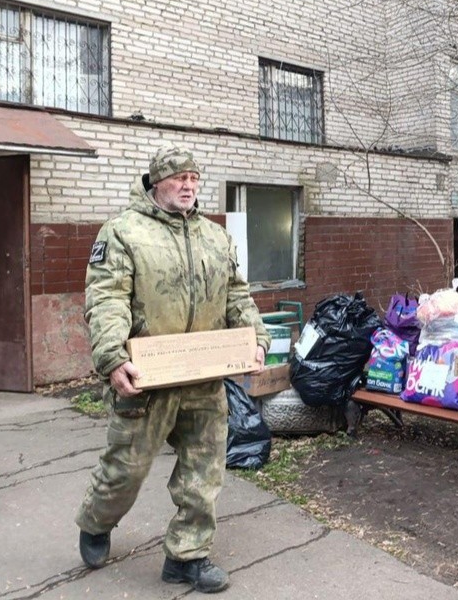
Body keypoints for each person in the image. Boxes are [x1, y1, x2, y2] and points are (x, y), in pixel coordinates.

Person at [75, 145, 271, 594]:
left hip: (203, 377)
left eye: (194, 178)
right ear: (156, 182)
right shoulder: (123, 231)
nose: (188, 185)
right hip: (147, 377)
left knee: (205, 469)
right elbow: (106, 299)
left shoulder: (215, 237)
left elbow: (236, 295)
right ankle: (96, 521)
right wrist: (112, 357)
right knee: (125, 469)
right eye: (179, 177)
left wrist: (255, 338)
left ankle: (188, 556)